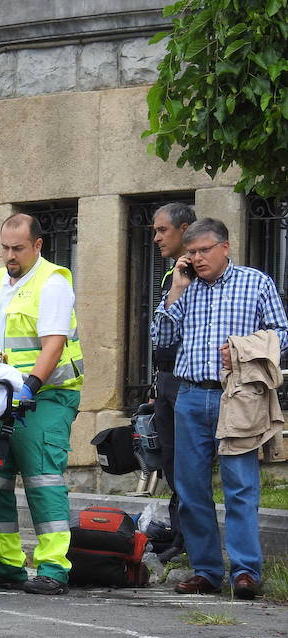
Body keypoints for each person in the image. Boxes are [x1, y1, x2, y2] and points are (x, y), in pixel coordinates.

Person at [153, 217, 288, 599]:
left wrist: (245, 349)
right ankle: (207, 570)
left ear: (224, 248)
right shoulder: (183, 286)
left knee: (240, 486)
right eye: (191, 252)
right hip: (190, 396)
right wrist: (176, 291)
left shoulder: (255, 282)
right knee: (191, 488)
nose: (196, 259)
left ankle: (246, 571)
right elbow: (160, 341)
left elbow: (283, 333)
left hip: (239, 395)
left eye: (203, 251)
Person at [0, 213, 83, 595]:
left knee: (41, 476)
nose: (9, 255)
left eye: (18, 248)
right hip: (2, 397)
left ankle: (53, 568)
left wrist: (30, 386)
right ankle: (7, 564)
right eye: (5, 248)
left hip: (45, 396)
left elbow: (53, 345)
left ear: (38, 245)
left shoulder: (53, 282)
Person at [150, 202, 195, 563]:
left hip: (186, 379)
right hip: (166, 378)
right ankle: (178, 533)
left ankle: (187, 539)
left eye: (162, 230)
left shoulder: (196, 271)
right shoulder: (172, 273)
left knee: (186, 461)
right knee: (170, 460)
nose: (156, 237)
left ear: (184, 229)